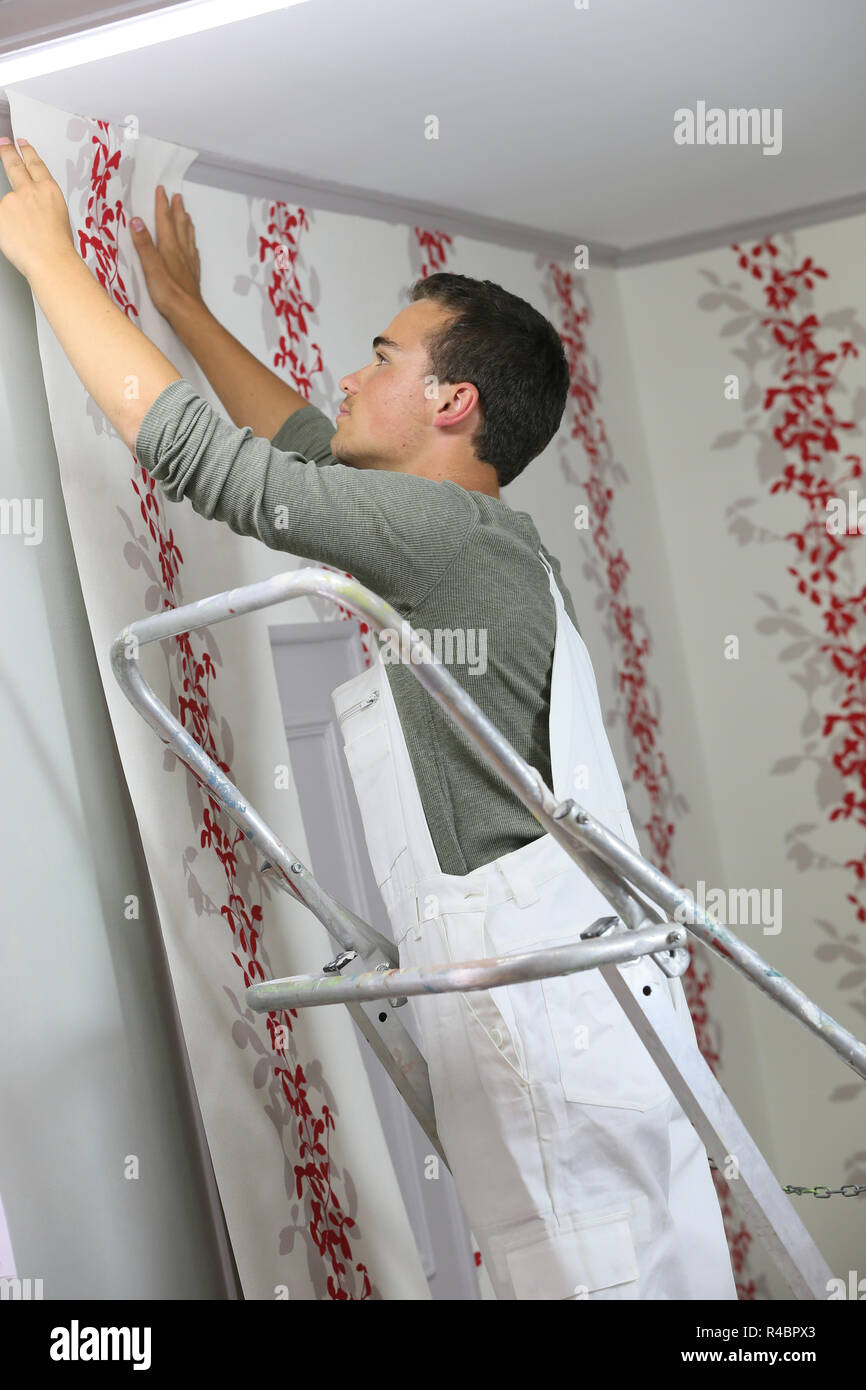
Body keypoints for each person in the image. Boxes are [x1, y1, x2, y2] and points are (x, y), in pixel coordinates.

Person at [0, 136, 736, 1300]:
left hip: (552, 1052)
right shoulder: (471, 538)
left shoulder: (447, 540)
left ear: (451, 400)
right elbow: (297, 445)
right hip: (555, 1040)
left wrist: (49, 261)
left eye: (378, 356)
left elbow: (217, 467)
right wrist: (185, 309)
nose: (349, 375)